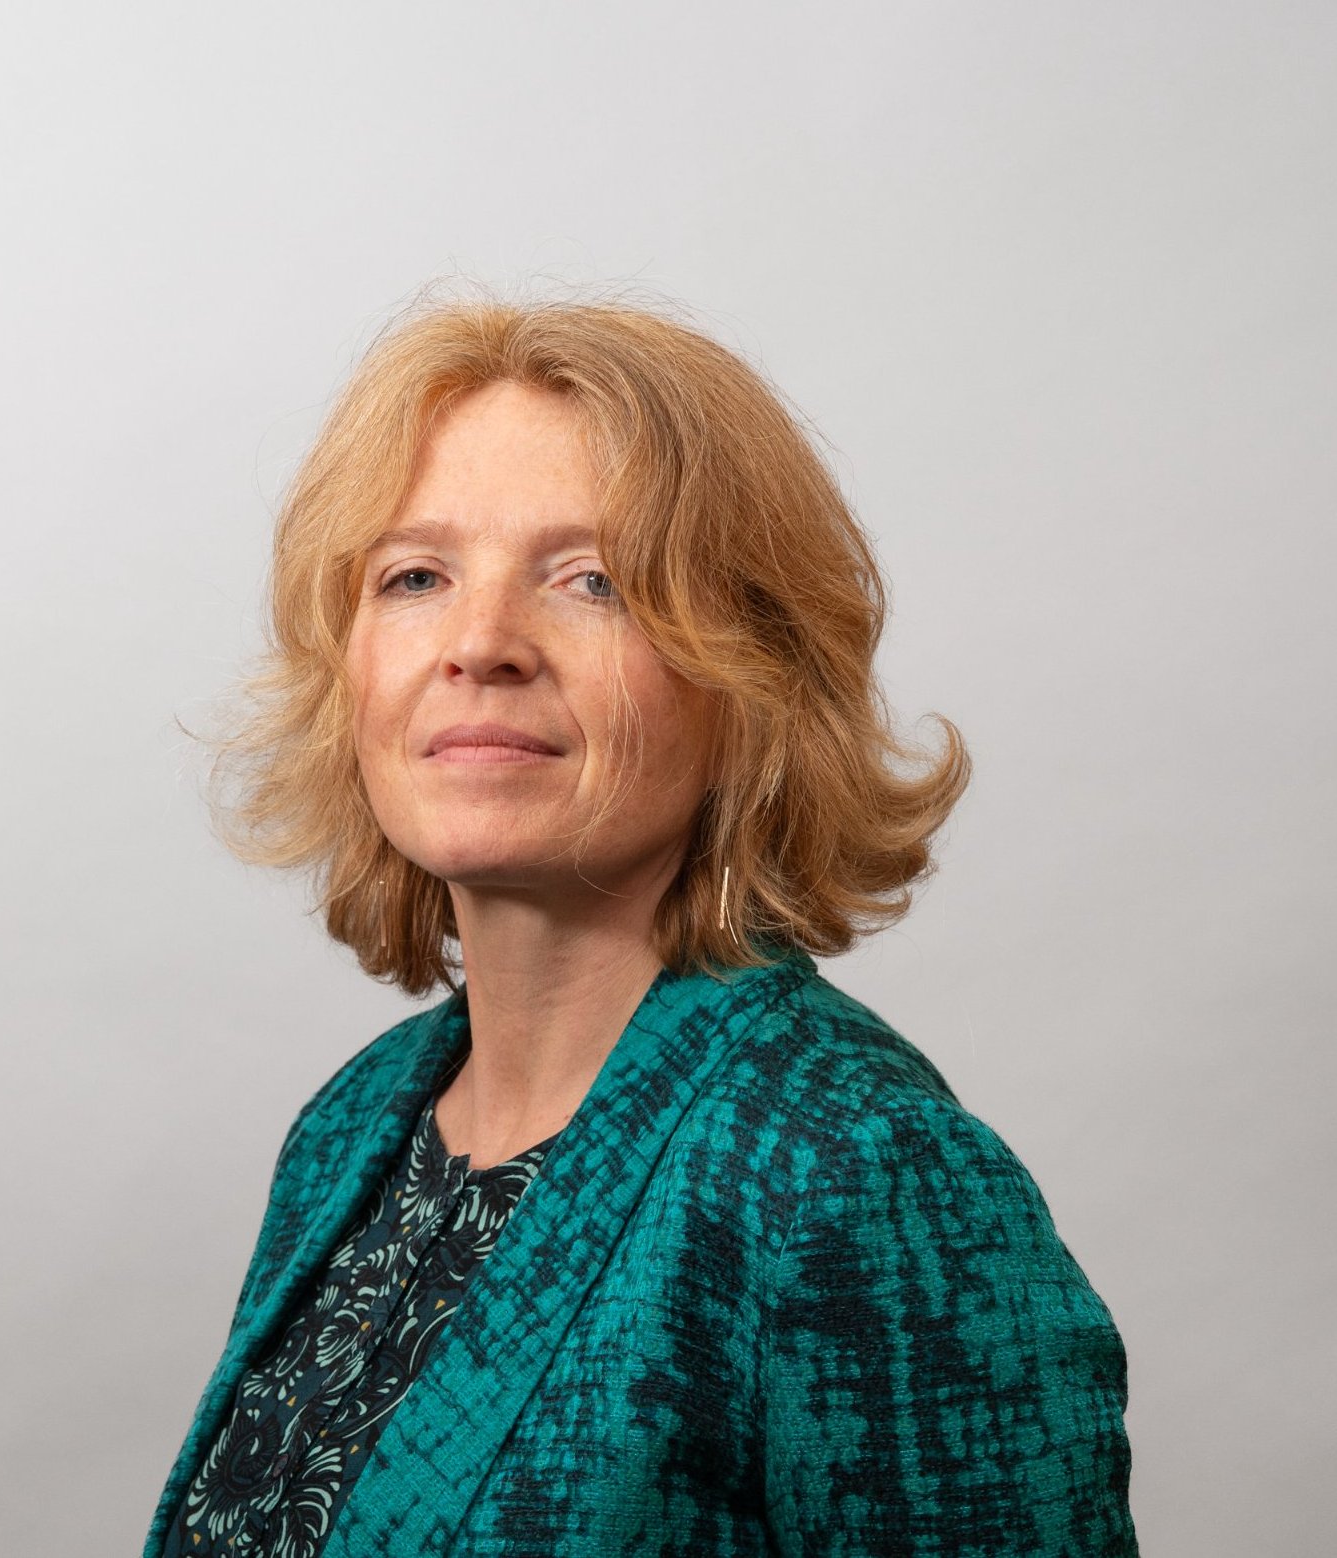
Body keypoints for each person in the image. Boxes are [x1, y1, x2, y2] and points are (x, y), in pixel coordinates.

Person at [145, 292, 1138, 1557]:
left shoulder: (855, 1170)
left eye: (593, 581)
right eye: (415, 576)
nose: (481, 643)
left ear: (751, 673)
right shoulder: (352, 1127)